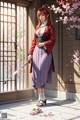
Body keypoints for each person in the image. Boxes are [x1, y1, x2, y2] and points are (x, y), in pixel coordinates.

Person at [28, 4, 56, 106]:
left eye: (43, 15)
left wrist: (43, 44)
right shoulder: (37, 27)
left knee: (41, 71)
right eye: (39, 15)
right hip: (35, 51)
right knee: (36, 74)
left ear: (47, 15)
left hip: (45, 52)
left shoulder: (50, 26)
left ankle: (42, 98)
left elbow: (53, 40)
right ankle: (41, 98)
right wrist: (30, 53)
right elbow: (33, 41)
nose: (41, 17)